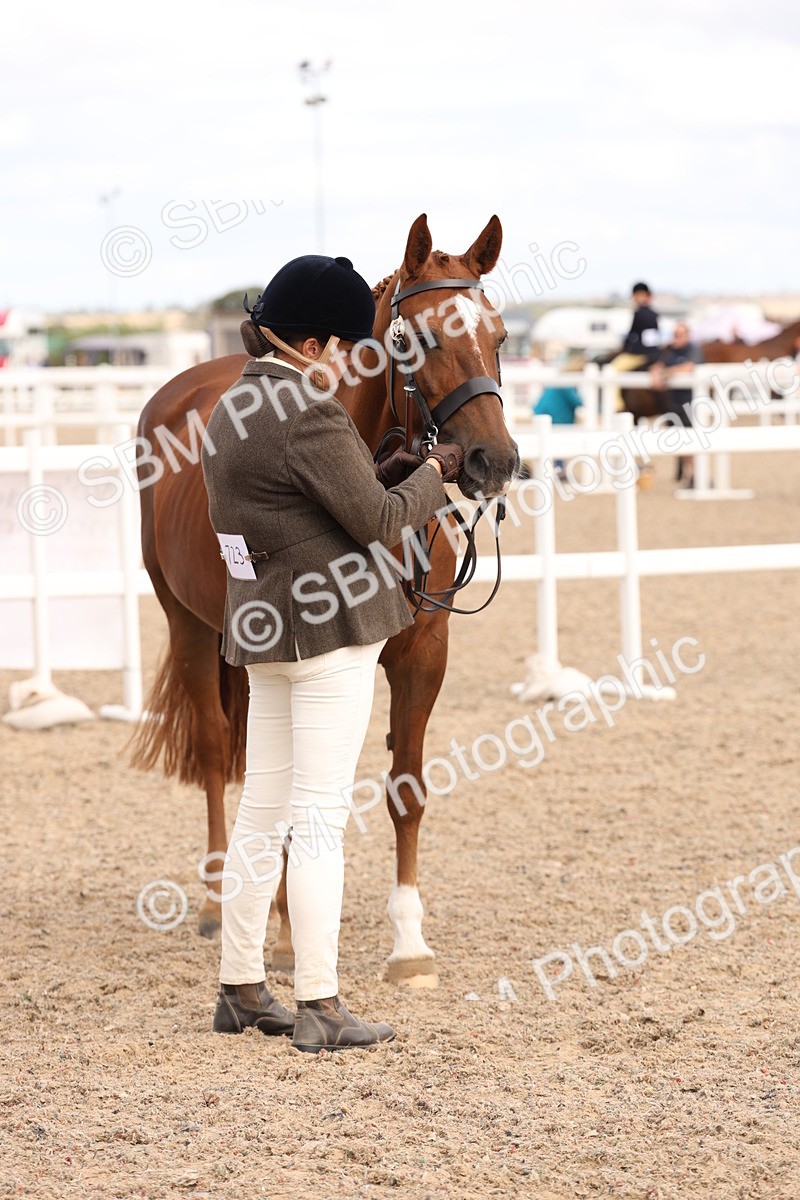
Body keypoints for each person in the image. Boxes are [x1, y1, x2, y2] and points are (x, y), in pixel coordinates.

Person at [200, 254, 464, 1053]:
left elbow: (306, 498)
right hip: (329, 637)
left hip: (261, 632)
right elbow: (384, 520)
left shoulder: (231, 408)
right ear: (312, 342)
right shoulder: (309, 412)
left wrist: (379, 472)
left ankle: (242, 985)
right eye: (345, 344)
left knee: (261, 814)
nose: (351, 358)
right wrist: (436, 470)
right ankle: (319, 1001)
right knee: (318, 818)